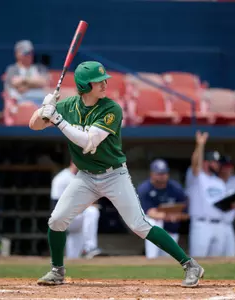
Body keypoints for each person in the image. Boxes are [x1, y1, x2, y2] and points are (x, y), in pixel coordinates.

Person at [29, 61, 204, 288]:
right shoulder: (69, 106)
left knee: (140, 225)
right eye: (98, 81)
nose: (105, 84)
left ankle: (190, 265)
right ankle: (57, 271)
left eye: (104, 79)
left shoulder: (111, 109)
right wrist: (44, 109)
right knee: (56, 220)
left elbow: (88, 142)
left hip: (114, 176)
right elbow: (34, 125)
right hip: (85, 176)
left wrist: (57, 120)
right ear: (84, 85)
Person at [185, 131, 229, 257]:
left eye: (217, 162)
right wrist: (200, 145)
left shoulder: (219, 181)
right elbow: (195, 164)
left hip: (220, 224)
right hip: (202, 224)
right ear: (205, 162)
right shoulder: (197, 177)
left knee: (217, 263)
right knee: (198, 261)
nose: (217, 164)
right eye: (213, 162)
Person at [137, 159, 187, 259]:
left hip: (171, 229)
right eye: (159, 173)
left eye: (164, 173)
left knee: (169, 261)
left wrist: (175, 216)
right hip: (155, 230)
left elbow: (185, 214)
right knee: (153, 222)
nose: (162, 176)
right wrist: (167, 216)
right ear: (152, 174)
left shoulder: (175, 188)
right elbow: (150, 212)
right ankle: (151, 258)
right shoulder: (144, 188)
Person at [51, 161, 102, 259]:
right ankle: (90, 247)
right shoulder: (61, 179)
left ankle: (79, 256)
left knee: (73, 258)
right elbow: (56, 205)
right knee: (92, 212)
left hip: (77, 218)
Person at [4, 40, 51, 107]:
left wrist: (24, 81)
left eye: (30, 53)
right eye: (26, 53)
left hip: (41, 102)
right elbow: (15, 83)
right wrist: (35, 83)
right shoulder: (12, 69)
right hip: (21, 104)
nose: (29, 56)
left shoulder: (39, 68)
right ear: (17, 54)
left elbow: (44, 82)